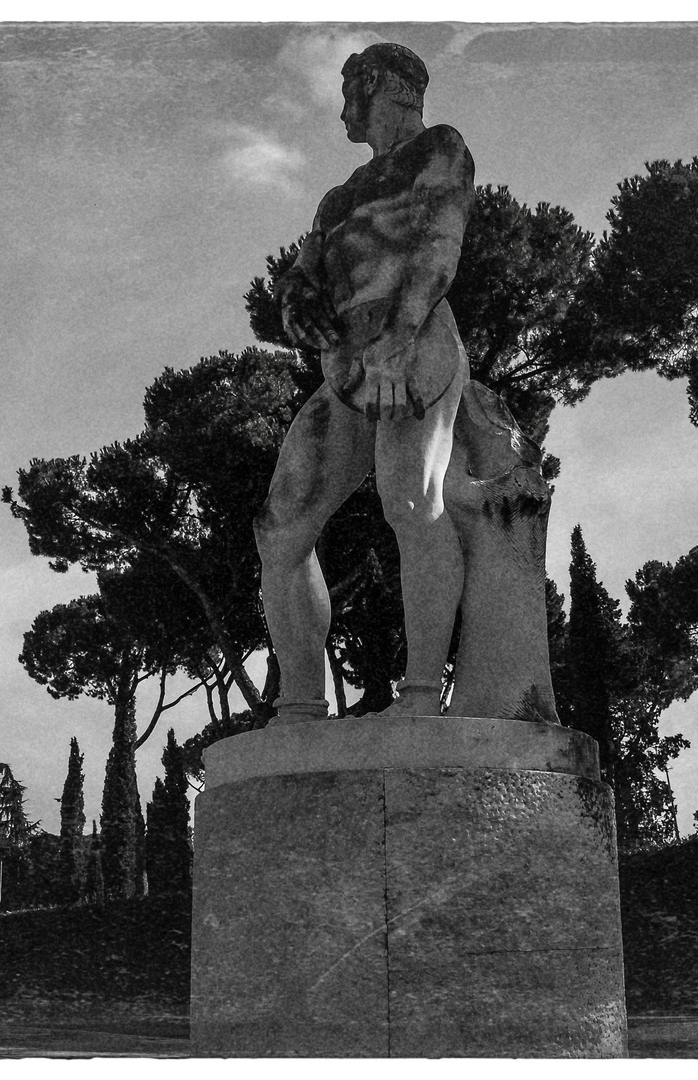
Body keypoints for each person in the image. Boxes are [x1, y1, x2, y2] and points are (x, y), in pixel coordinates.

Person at [257, 42, 475, 724]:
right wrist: (301, 305)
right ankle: (299, 702)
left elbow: (440, 246)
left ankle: (418, 696)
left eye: (355, 85)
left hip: (416, 344)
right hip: (346, 363)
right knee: (280, 528)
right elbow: (301, 283)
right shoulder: (339, 195)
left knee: (410, 502)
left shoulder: (439, 147)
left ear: (387, 86)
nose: (345, 104)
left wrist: (397, 337)